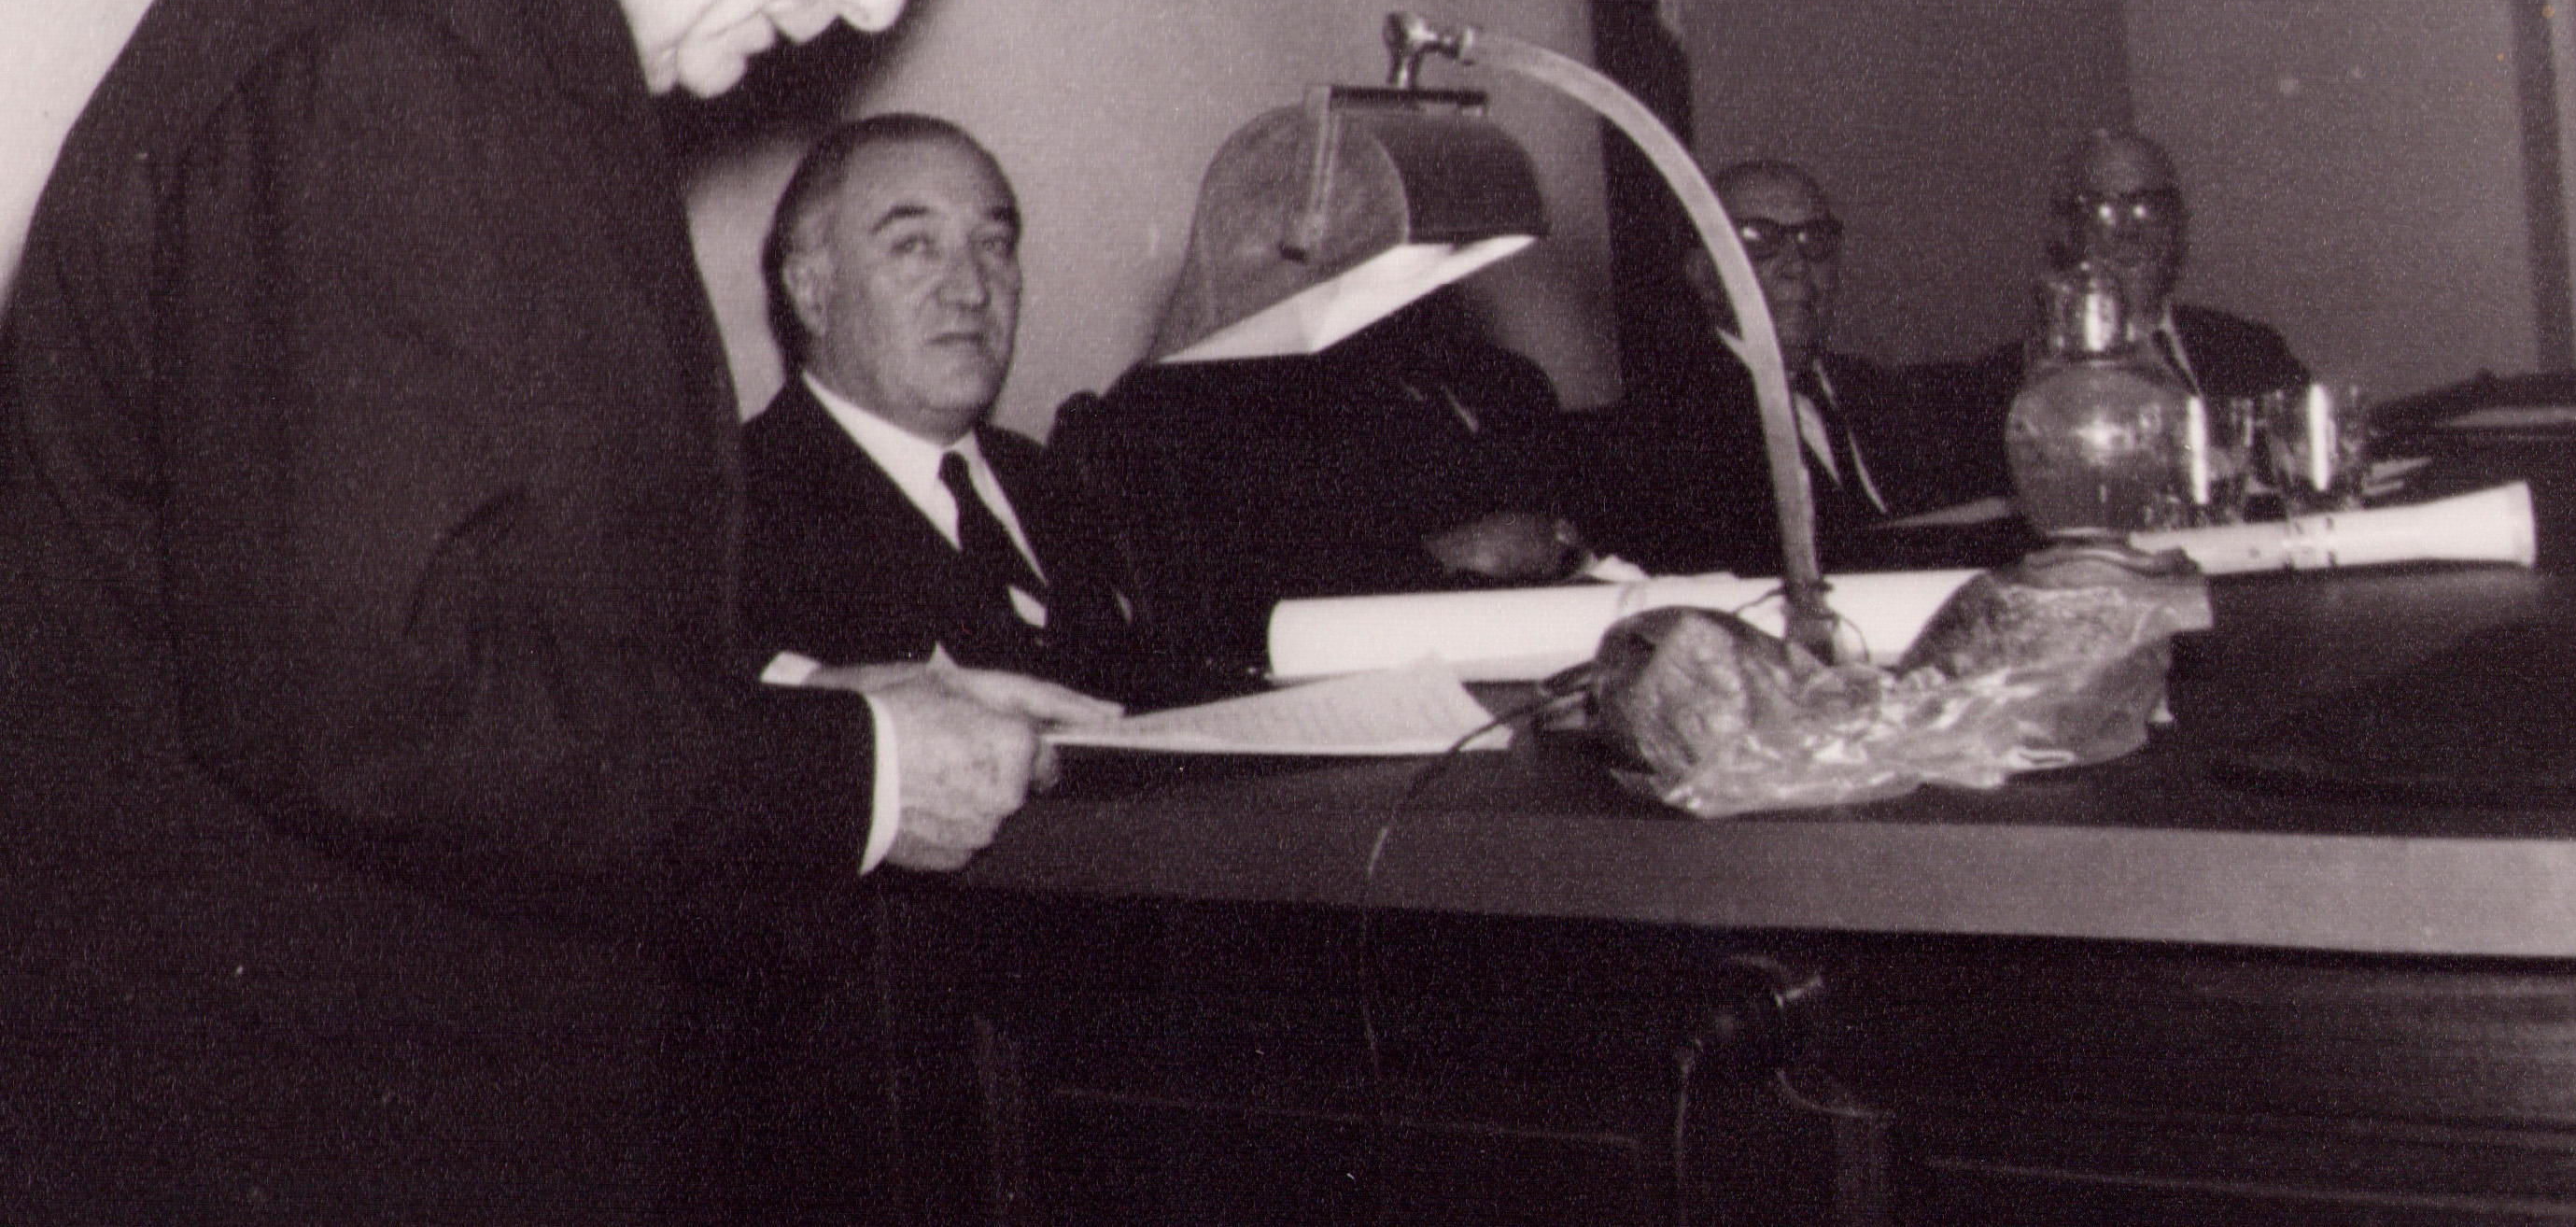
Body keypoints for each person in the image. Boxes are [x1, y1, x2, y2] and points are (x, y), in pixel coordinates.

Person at [0, 0, 1113, 1224]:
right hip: (334, 1143)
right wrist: (859, 774)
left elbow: (480, 597)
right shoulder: (391, 50)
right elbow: (368, 701)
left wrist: (815, 700)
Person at [730, 111, 1139, 1225]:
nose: (970, 286)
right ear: (811, 290)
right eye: (913, 245)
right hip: (920, 1109)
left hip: (1129, 1058)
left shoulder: (1054, 483)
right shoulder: (733, 508)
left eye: (994, 243)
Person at [1061, 286, 1591, 698]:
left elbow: (1566, 530)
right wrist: (1451, 554)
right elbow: (1241, 616)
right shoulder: (1203, 401)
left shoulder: (1502, 382)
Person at [1593, 158, 2009, 577]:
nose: (1798, 265)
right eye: (1758, 239)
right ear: (1702, 273)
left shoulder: (1881, 395)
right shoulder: (1665, 430)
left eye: (1815, 239)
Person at [2050, 127, 2309, 403]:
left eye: (2149, 206)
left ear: (2179, 225)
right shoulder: (2024, 382)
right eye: (2104, 210)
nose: (2128, 231)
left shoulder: (2253, 352)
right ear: (2066, 232)